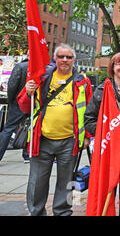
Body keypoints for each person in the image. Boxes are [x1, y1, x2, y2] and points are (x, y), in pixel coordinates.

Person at [17, 44, 93, 216]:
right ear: (55, 59)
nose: (65, 60)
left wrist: (87, 136)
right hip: (41, 139)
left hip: (70, 141)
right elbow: (23, 106)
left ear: (74, 60)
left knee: (66, 182)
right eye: (61, 57)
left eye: (68, 57)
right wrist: (28, 93)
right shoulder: (41, 78)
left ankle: (63, 212)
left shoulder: (82, 81)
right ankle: (36, 212)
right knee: (37, 181)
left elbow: (88, 110)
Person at [84, 52, 120, 215]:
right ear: (112, 67)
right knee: (107, 188)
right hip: (108, 149)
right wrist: (105, 132)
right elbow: (89, 119)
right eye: (119, 64)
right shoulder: (102, 90)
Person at [0, 55, 30, 163]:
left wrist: (11, 100)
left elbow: (12, 85)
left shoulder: (21, 67)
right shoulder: (41, 68)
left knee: (8, 129)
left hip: (18, 102)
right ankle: (27, 155)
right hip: (32, 103)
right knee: (29, 128)